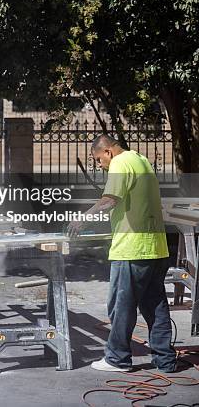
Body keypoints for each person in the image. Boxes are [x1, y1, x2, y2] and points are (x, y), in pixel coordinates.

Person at [68, 134, 176, 373]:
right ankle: (165, 360)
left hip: (132, 248)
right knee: (155, 306)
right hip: (156, 246)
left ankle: (117, 359)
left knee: (121, 305)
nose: (99, 165)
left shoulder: (119, 162)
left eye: (98, 159)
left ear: (107, 152)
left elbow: (110, 199)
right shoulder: (141, 160)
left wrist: (84, 217)